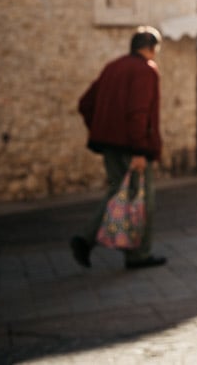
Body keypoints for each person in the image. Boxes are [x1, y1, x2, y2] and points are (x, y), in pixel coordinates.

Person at [70, 26, 168, 270]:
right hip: (132, 146)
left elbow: (86, 103)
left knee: (118, 192)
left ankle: (85, 239)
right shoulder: (145, 70)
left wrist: (103, 129)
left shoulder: (112, 67)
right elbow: (139, 112)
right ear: (151, 48)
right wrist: (139, 150)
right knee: (142, 199)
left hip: (110, 145)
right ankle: (138, 255)